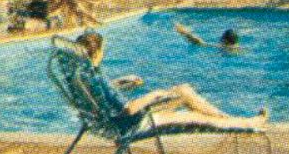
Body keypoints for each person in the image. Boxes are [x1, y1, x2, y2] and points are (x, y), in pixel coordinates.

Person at [74, 31, 262, 126]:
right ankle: (240, 122)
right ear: (97, 52)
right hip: (131, 122)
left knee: (182, 89)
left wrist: (122, 81)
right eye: (103, 49)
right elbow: (129, 109)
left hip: (113, 120)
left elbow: (104, 92)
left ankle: (231, 119)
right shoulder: (93, 76)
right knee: (185, 94)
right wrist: (154, 94)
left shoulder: (85, 74)